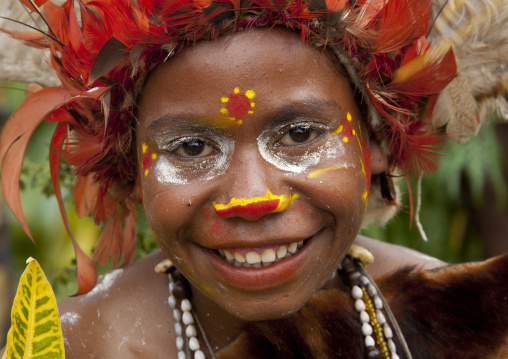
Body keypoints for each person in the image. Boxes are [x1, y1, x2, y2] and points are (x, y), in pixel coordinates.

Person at [1, 0, 507, 358]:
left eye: (301, 133)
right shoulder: (78, 345)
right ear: (132, 171)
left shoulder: (463, 319)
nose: (251, 198)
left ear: (375, 142)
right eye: (192, 148)